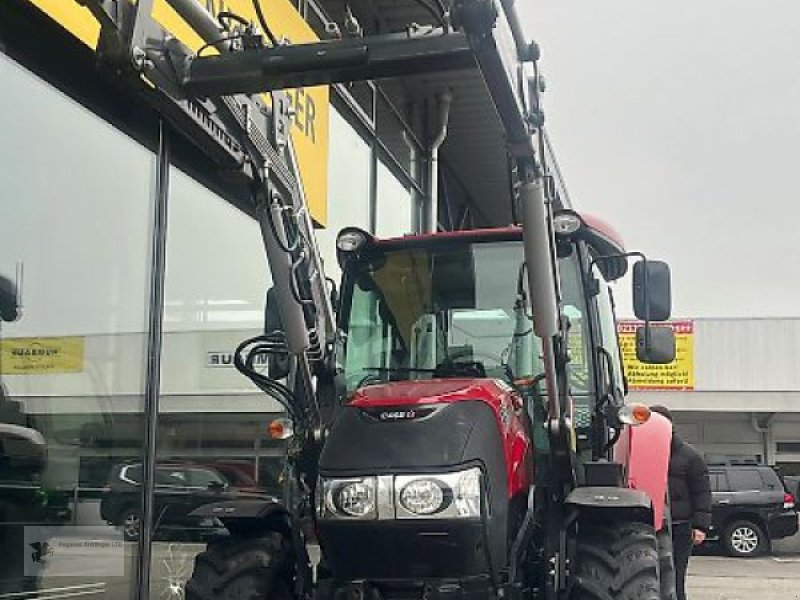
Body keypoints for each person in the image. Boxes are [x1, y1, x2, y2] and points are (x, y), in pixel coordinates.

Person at [650, 405, 712, 600]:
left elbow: (702, 492)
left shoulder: (689, 456)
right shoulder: (644, 452)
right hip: (649, 525)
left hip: (680, 526)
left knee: (675, 576)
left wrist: (700, 526)